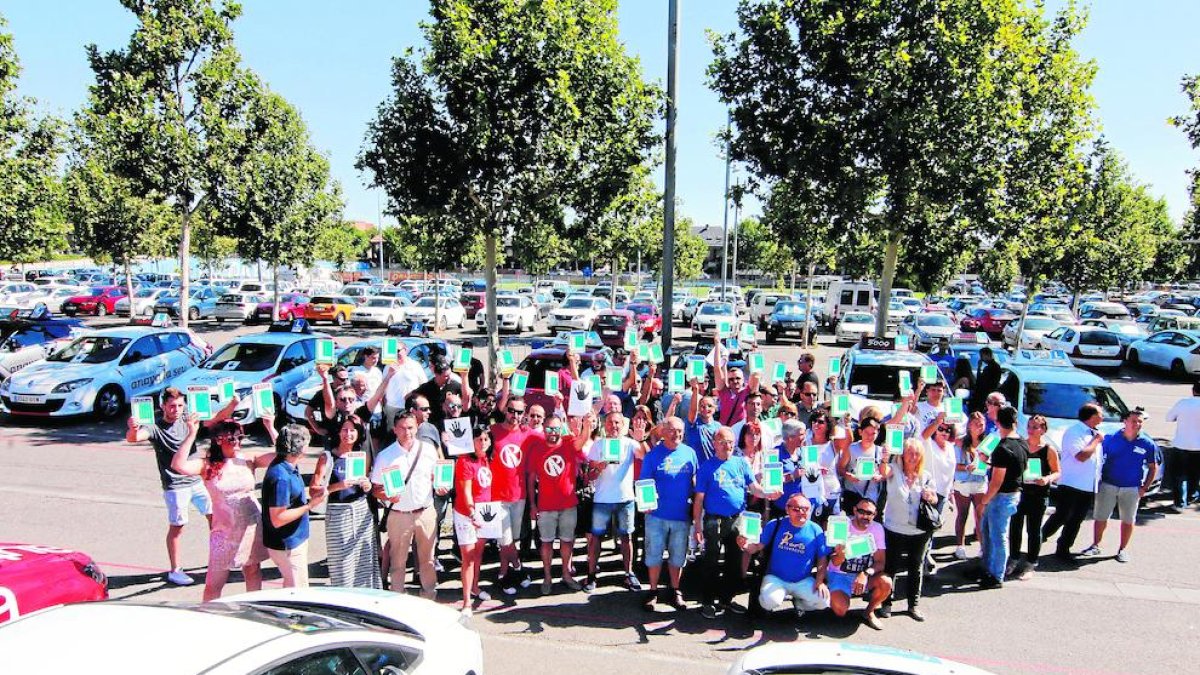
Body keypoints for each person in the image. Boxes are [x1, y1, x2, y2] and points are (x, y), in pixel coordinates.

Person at [170, 416, 278, 600]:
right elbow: (178, 465)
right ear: (218, 440)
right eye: (232, 438)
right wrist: (192, 434)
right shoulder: (207, 464)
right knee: (213, 584)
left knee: (252, 571)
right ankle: (208, 616)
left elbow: (284, 455)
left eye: (240, 438)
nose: (237, 442)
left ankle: (253, 609)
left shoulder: (248, 459)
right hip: (224, 532)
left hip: (251, 526)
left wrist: (270, 426)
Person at [125, 386, 222, 586]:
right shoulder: (155, 427)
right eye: (172, 406)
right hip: (176, 486)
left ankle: (219, 559)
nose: (176, 410)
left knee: (216, 519)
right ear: (163, 406)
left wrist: (233, 404)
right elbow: (134, 438)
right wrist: (133, 429)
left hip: (196, 480)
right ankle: (175, 570)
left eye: (179, 405)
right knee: (178, 527)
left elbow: (215, 420)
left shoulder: (187, 418)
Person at [693, 426, 773, 618]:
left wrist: (768, 493)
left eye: (729, 442)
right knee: (711, 560)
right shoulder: (707, 467)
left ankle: (726, 599)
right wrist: (697, 525)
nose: (727, 446)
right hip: (714, 520)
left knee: (735, 560)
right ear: (714, 445)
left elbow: (754, 488)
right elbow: (699, 499)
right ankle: (707, 601)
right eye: (722, 442)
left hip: (738, 518)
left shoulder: (741, 463)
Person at [372, 412, 442, 599]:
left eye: (410, 427)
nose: (407, 432)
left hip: (425, 512)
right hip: (399, 515)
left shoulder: (428, 450)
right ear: (395, 430)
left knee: (427, 560)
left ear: (417, 427)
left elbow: (437, 477)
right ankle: (397, 598)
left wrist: (441, 486)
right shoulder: (386, 456)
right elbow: (375, 488)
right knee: (398, 561)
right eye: (402, 428)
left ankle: (429, 596)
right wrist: (387, 495)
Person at [526, 413, 593, 594]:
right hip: (545, 506)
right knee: (546, 543)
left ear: (560, 428)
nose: (553, 432)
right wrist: (532, 505)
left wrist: (587, 425)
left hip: (568, 505)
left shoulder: (568, 443)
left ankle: (566, 574)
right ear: (544, 429)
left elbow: (583, 439)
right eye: (549, 428)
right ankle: (547, 577)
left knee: (567, 541)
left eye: (556, 428)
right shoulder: (537, 449)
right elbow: (531, 480)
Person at [313, 416, 382, 589]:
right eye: (345, 429)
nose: (348, 434)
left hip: (360, 510)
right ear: (338, 432)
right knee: (342, 563)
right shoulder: (328, 457)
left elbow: (366, 484)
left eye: (353, 430)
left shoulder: (361, 456)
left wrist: (367, 485)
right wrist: (337, 486)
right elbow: (314, 489)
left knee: (364, 561)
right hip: (338, 513)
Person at [1080, 409, 1157, 563]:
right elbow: (1098, 459)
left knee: (1128, 520)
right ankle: (1095, 545)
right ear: (1125, 421)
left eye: (1140, 421)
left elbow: (1153, 467)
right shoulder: (1111, 439)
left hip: (1131, 487)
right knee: (1101, 517)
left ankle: (1122, 549)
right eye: (1134, 421)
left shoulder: (1147, 443)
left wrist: (1144, 488)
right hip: (1108, 484)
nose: (1137, 424)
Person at [584, 410, 649, 593]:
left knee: (626, 537)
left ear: (623, 425)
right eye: (611, 423)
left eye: (618, 423)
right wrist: (598, 468)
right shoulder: (597, 445)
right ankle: (591, 574)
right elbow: (589, 476)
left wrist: (642, 439)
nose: (614, 426)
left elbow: (647, 457)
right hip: (602, 499)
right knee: (596, 538)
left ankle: (628, 573)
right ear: (605, 425)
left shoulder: (630, 443)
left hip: (625, 498)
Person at [640, 416, 699, 611]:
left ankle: (675, 590)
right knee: (654, 555)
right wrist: (646, 502)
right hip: (656, 515)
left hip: (681, 516)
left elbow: (696, 482)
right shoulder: (652, 456)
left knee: (677, 557)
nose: (677, 435)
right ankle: (653, 591)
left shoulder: (690, 453)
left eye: (680, 431)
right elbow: (644, 483)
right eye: (673, 431)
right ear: (663, 432)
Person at [738, 494, 831, 619]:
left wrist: (819, 582)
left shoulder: (816, 530)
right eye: (796, 509)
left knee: (824, 601)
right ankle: (765, 604)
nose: (801, 512)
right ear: (787, 509)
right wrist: (744, 545)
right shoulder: (775, 524)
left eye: (805, 509)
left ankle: (799, 604)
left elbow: (822, 558)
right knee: (770, 602)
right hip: (776, 578)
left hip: (803, 580)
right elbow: (757, 546)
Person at [877, 439, 937, 621]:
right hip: (894, 528)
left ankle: (913, 605)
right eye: (909, 453)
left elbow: (934, 498)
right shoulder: (894, 471)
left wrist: (930, 496)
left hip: (919, 531)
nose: (912, 457)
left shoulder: (925, 476)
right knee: (891, 566)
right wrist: (885, 458)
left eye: (916, 454)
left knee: (916, 567)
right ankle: (886, 603)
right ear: (902, 455)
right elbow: (883, 472)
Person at [262, 424, 326, 588]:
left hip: (292, 540)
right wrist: (310, 505)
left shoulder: (287, 464)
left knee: (291, 586)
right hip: (287, 544)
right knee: (299, 590)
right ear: (301, 448)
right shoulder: (281, 477)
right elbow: (278, 518)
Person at [1042, 403, 1104, 561]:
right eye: (1099, 414)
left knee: (1077, 519)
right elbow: (1081, 456)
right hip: (1071, 483)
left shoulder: (1094, 433)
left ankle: (1063, 548)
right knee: (1062, 515)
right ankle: (1039, 537)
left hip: (1088, 485)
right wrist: (1096, 441)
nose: (1102, 417)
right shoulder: (1075, 432)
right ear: (1090, 416)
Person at [976, 405, 1027, 589]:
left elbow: (996, 482)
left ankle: (996, 575)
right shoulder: (1021, 443)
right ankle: (988, 569)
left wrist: (984, 501)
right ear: (1015, 422)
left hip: (1001, 497)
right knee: (990, 534)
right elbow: (1010, 468)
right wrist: (988, 462)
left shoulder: (1003, 448)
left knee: (998, 537)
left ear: (997, 423)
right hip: (1013, 494)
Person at [1008, 415, 1059, 580]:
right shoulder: (1021, 445)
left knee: (1034, 530)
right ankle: (1013, 558)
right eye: (1029, 426)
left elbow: (1058, 472)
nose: (1031, 430)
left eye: (1035, 427)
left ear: (1043, 430)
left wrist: (1047, 479)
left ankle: (1031, 563)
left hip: (1038, 495)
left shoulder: (1048, 449)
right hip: (1019, 491)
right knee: (1015, 526)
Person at [491, 393, 533, 594]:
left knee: (511, 540)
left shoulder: (527, 433)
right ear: (504, 410)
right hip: (497, 497)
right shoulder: (492, 431)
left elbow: (554, 437)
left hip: (519, 496)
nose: (514, 415)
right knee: (505, 540)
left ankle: (503, 572)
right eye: (511, 410)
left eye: (519, 412)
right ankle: (518, 569)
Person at [828, 497, 891, 631]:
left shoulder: (877, 528)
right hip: (840, 574)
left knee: (886, 582)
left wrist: (865, 573)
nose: (865, 516)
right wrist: (841, 554)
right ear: (855, 510)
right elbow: (834, 561)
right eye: (862, 511)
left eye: (870, 513)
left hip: (863, 575)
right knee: (840, 610)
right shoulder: (842, 525)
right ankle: (830, 594)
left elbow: (881, 563)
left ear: (875, 515)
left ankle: (869, 611)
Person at [453, 422, 495, 615]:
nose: (483, 443)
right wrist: (472, 513)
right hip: (466, 514)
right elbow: (465, 493)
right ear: (472, 442)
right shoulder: (465, 462)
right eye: (479, 439)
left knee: (478, 555)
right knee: (468, 558)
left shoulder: (487, 459)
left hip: (484, 512)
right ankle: (467, 602)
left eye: (486, 439)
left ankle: (475, 587)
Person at [952, 412, 988, 560]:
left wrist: (988, 464)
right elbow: (954, 464)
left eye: (981, 424)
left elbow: (991, 463)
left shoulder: (987, 443)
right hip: (963, 483)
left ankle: (982, 547)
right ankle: (960, 546)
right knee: (962, 514)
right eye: (976, 424)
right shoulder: (960, 443)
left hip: (980, 482)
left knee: (980, 516)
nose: (979, 427)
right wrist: (967, 467)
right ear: (969, 426)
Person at [374, 343, 430, 429]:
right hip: (392, 407)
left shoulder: (415, 366)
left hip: (410, 407)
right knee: (393, 433)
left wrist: (412, 394)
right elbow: (383, 386)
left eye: (398, 351)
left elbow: (424, 385)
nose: (396, 354)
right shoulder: (388, 366)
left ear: (406, 351)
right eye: (393, 352)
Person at [1165, 380, 1200, 509]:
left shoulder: (1183, 403)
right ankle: (1192, 495)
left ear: (1193, 390)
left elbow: (1169, 418)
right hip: (1198, 446)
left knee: (1179, 474)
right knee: (1195, 473)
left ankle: (1180, 502)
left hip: (1181, 444)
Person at [841, 416, 885, 515]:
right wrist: (849, 476)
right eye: (866, 433)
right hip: (853, 496)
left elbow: (885, 474)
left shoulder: (880, 451)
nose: (869, 437)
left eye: (873, 433)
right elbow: (840, 469)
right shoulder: (851, 449)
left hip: (871, 499)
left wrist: (879, 477)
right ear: (860, 432)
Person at [685, 381, 721, 462]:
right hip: (695, 468)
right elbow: (693, 410)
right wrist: (695, 389)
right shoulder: (694, 423)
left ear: (715, 408)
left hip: (712, 466)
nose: (706, 409)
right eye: (702, 406)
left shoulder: (718, 426)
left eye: (710, 406)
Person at [971, 348, 1002, 414]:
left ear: (987, 355)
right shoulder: (992, 367)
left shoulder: (992, 367)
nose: (981, 358)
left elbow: (980, 381)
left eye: (982, 356)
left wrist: (979, 368)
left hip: (985, 394)